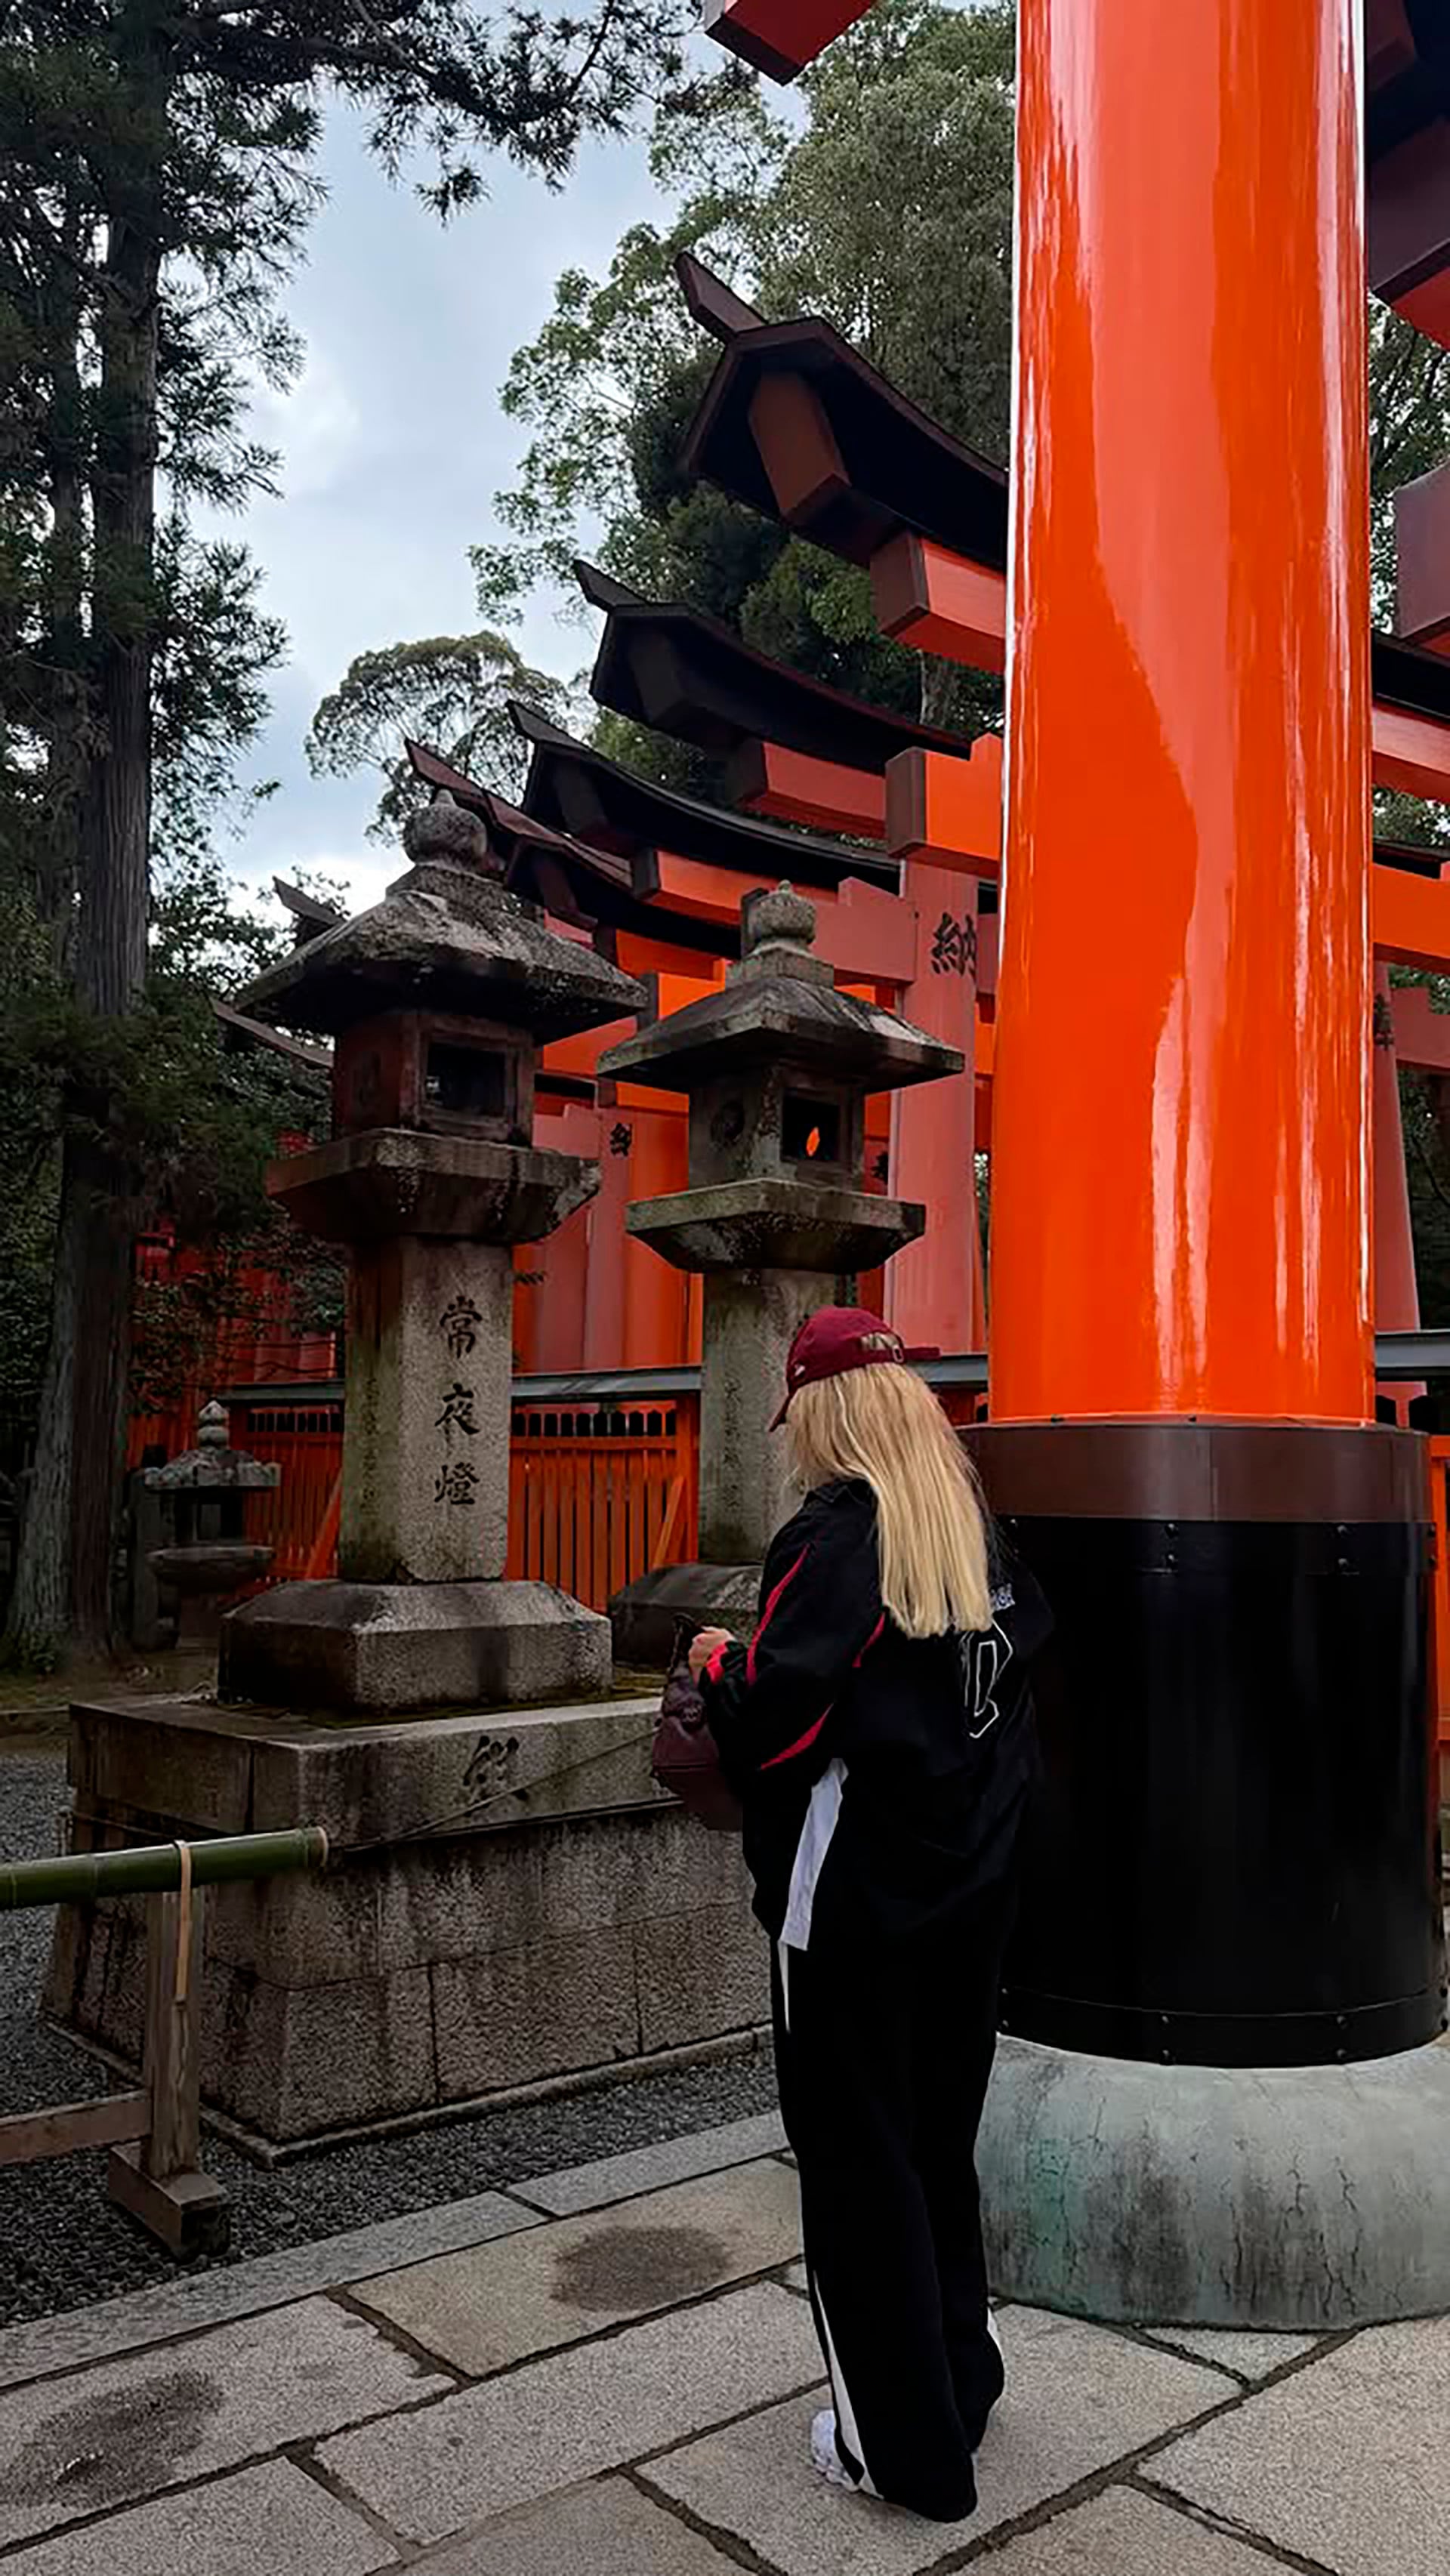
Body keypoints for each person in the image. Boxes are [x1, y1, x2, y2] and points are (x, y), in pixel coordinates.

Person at [689, 1306, 1050, 2525]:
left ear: (822, 1411)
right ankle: (962, 2381)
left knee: (857, 2164)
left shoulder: (837, 1535)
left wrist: (712, 1665)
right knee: (936, 2143)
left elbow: (780, 1723)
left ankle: (897, 2449)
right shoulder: (969, 1526)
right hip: (975, 1890)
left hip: (854, 1904)